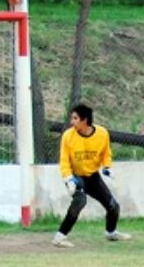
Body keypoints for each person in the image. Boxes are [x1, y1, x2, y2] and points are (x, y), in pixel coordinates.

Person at [53, 104, 131, 248]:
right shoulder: (68, 136)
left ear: (85, 120)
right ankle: (60, 237)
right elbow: (64, 161)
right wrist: (68, 179)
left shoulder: (102, 133)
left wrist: (107, 167)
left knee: (113, 205)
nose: (72, 122)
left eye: (75, 118)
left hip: (92, 176)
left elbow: (106, 154)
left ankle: (111, 232)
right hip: (75, 176)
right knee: (80, 201)